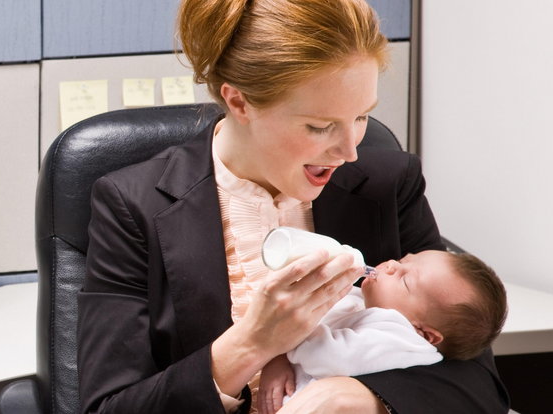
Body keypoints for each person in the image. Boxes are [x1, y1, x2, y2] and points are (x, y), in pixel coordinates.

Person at [77, 0, 510, 412]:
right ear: (239, 101)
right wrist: (253, 342)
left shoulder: (388, 185)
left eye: (361, 117)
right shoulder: (132, 206)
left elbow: (478, 384)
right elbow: (111, 407)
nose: (349, 151)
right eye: (320, 126)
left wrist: (361, 397)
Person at [258, 250, 508, 413]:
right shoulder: (365, 301)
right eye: (402, 261)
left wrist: (283, 343)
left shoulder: (398, 337)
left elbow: (327, 357)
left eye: (405, 280)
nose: (389, 266)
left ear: (424, 333)